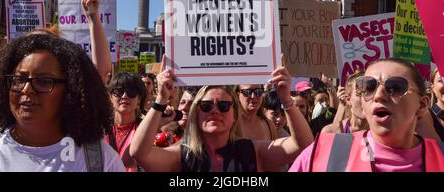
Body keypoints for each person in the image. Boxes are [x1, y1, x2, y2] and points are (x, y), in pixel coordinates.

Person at [129, 56, 314, 172]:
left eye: (224, 105)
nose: (215, 110)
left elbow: (303, 143)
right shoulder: (182, 156)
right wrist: (161, 100)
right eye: (207, 106)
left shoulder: (252, 151)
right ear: (196, 113)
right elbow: (139, 152)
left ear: (234, 114)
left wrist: (286, 98)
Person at [0, 33, 125, 171]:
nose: (26, 89)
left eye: (43, 81)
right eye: (19, 80)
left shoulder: (101, 160)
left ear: (71, 91)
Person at [289, 58, 444, 172]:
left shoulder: (440, 157)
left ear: (422, 105)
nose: (378, 95)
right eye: (369, 87)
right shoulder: (325, 153)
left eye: (395, 87)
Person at [105, 72, 147, 171]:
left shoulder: (146, 129)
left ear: (139, 98)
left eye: (131, 92)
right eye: (119, 91)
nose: (124, 96)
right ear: (110, 97)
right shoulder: (99, 128)